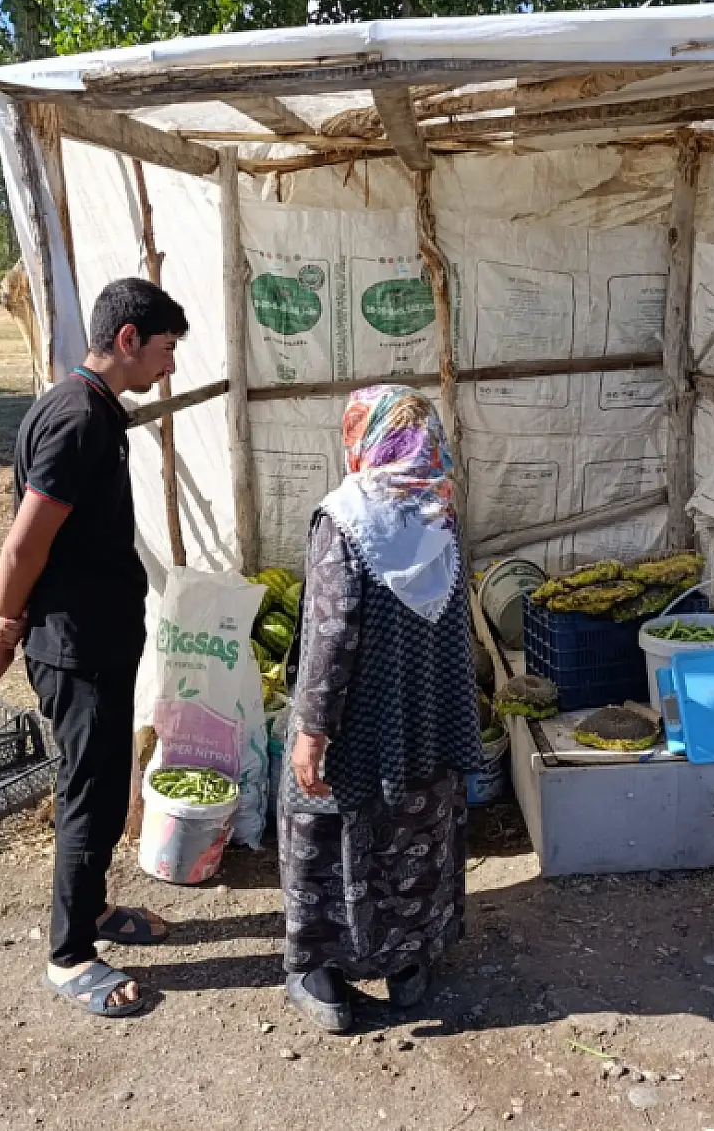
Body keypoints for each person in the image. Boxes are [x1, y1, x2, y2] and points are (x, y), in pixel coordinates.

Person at [0, 276, 188, 1018]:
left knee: (102, 784)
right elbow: (23, 543)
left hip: (99, 634)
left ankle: (94, 910)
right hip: (75, 643)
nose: (168, 366)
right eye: (164, 350)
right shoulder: (78, 420)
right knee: (88, 792)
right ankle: (69, 956)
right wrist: (3, 626)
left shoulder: (89, 408)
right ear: (128, 340)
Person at [280, 385, 483, 1033]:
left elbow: (331, 633)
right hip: (430, 716)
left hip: (360, 724)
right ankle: (408, 963)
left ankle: (321, 970)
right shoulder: (441, 511)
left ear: (366, 440)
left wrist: (312, 729)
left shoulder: (344, 518)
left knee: (321, 825)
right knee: (416, 834)